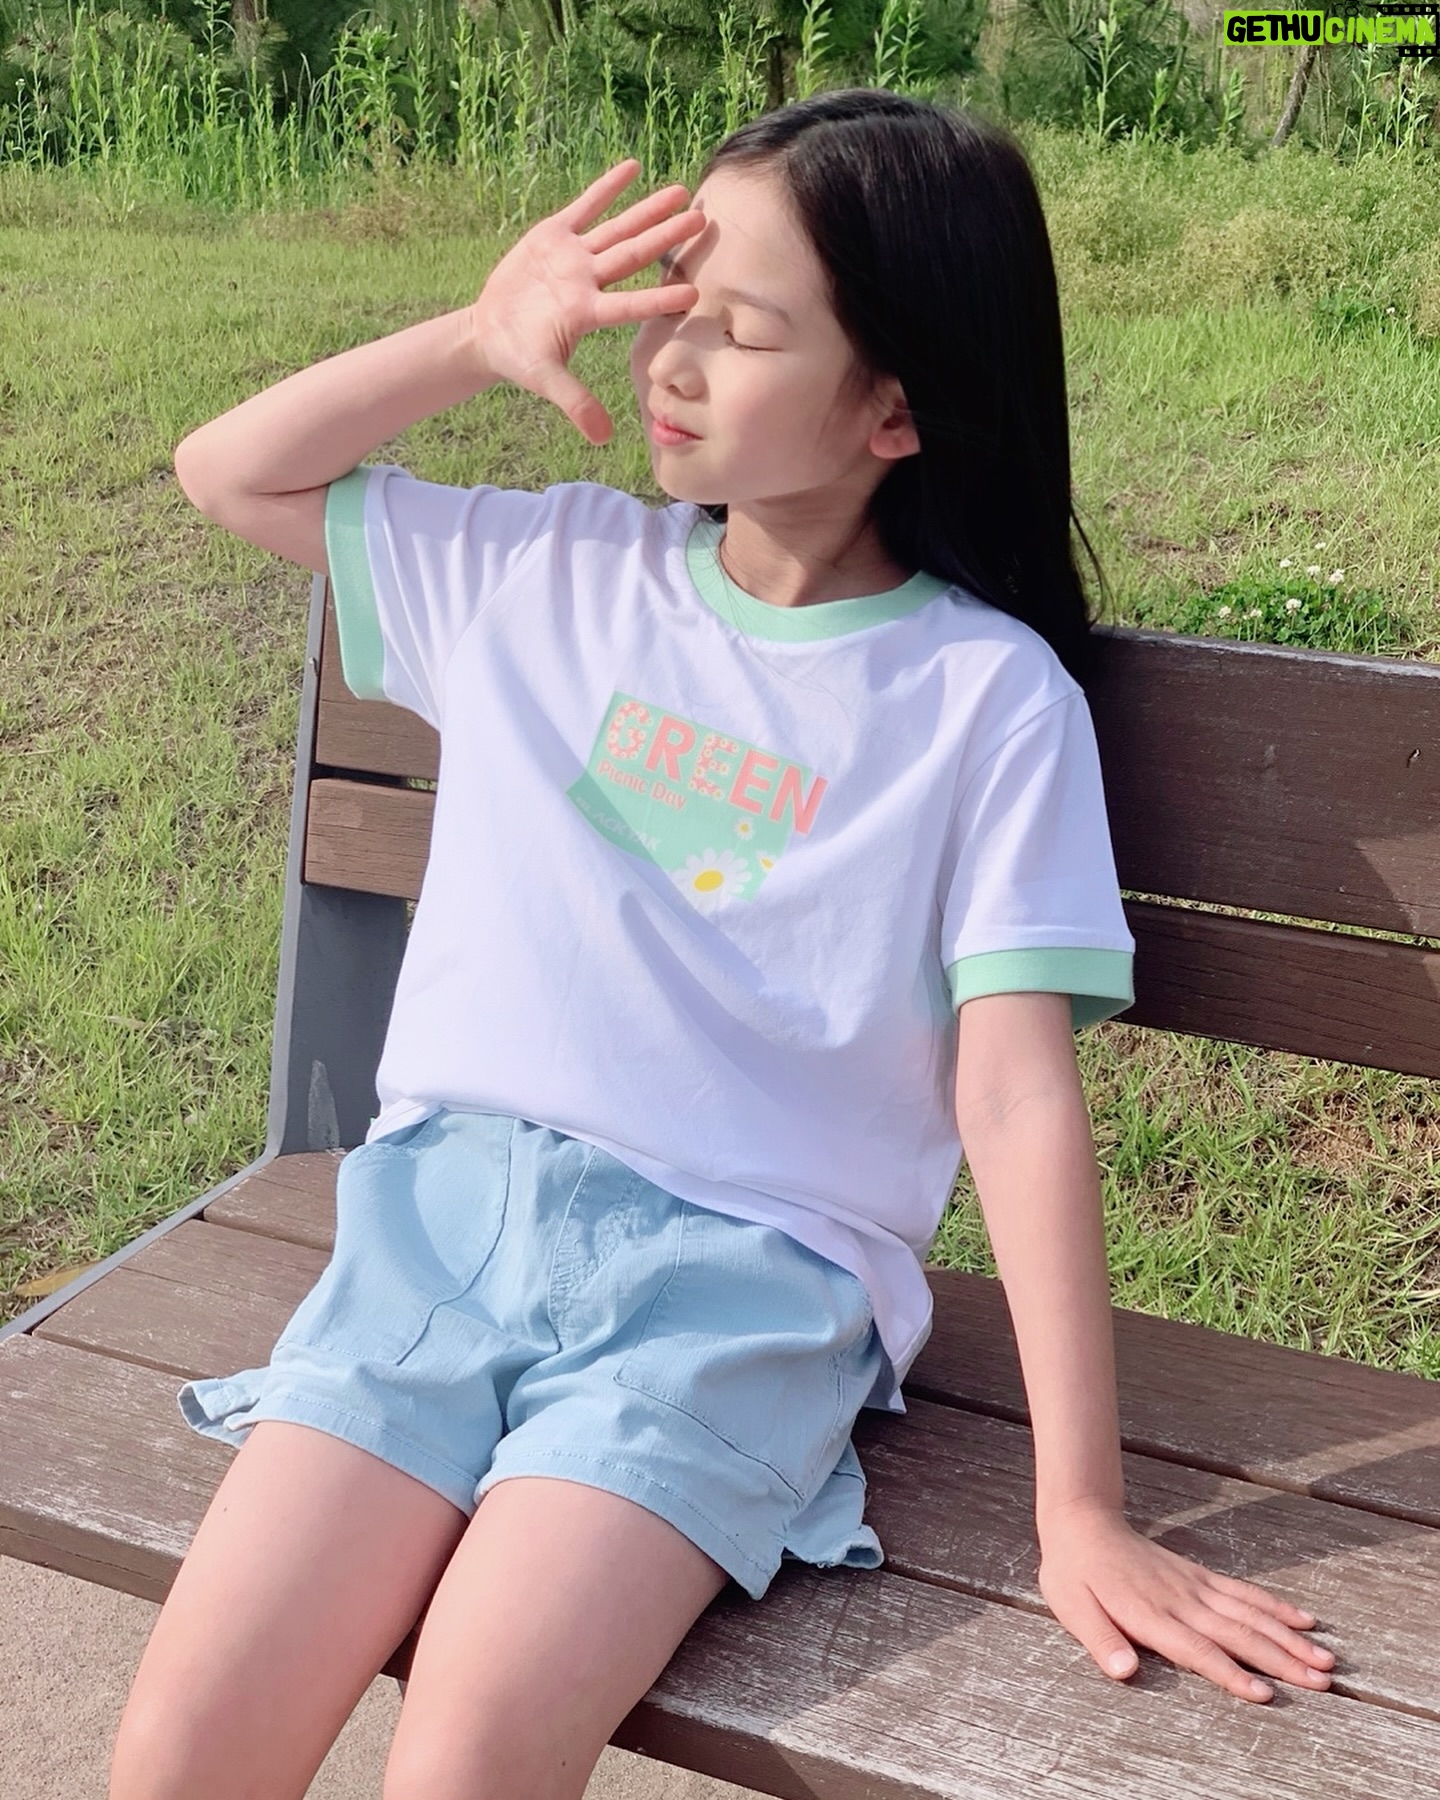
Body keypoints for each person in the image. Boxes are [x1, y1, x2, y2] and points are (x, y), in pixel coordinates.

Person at [109, 88, 1335, 1800]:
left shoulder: (985, 704)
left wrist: (1082, 1510)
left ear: (896, 406)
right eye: (665, 306)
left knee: (466, 1754)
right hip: (441, 1233)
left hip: (736, 1295)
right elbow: (226, 471)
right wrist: (476, 333)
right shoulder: (541, 573)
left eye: (738, 330)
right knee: (183, 1747)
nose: (667, 360)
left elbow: (1014, 1098)